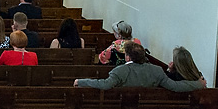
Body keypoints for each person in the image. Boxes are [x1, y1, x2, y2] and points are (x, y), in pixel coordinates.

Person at [75, 42, 206, 91]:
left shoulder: (120, 71)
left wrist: (81, 81)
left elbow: (105, 85)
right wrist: (198, 84)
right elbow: (175, 86)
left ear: (128, 57)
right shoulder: (157, 70)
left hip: (124, 106)